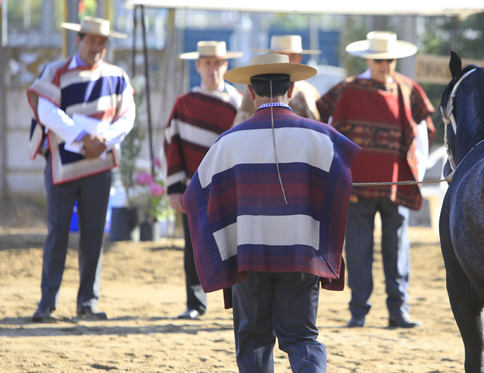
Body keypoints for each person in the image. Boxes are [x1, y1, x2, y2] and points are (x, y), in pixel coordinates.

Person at [182, 53, 360, 372]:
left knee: (253, 341)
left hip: (248, 256)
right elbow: (344, 184)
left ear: (250, 92)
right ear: (291, 89)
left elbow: (192, 198)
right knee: (303, 339)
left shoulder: (227, 143)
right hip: (302, 255)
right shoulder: (322, 139)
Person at [317, 31, 436, 329]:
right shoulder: (348, 89)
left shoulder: (408, 90)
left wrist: (416, 172)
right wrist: (338, 174)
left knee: (398, 251)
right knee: (357, 250)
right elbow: (324, 124)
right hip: (357, 186)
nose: (386, 64)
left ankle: (399, 310)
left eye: (390, 59)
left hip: (397, 186)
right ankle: (359, 311)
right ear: (368, 58)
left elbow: (424, 132)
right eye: (380, 59)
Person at [27, 16, 135, 322]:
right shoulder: (56, 71)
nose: (97, 47)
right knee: (57, 233)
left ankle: (88, 301)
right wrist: (82, 137)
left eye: (102, 42)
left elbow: (127, 117)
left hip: (99, 165)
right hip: (63, 165)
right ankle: (47, 303)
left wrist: (102, 141)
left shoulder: (117, 77)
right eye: (91, 41)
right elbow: (45, 110)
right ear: (79, 40)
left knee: (93, 236)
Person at [162, 41, 243, 320]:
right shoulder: (184, 104)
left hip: (229, 191)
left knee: (234, 247)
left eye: (218, 62)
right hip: (193, 189)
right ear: (197, 65)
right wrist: (174, 188)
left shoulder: (238, 104)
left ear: (226, 65)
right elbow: (172, 144)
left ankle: (238, 304)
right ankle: (195, 303)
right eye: (207, 63)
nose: (213, 68)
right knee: (194, 248)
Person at [232, 35, 321, 124]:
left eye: (293, 55)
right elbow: (241, 122)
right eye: (281, 54)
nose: (287, 59)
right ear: (272, 56)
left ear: (299, 58)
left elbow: (317, 123)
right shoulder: (255, 88)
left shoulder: (310, 91)